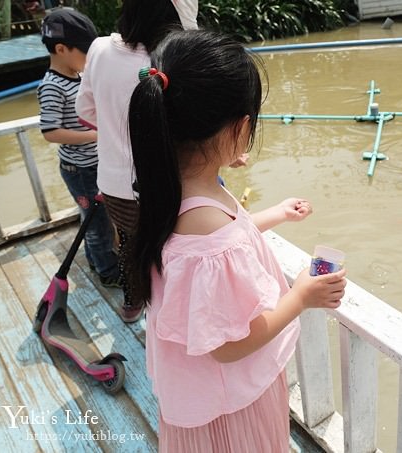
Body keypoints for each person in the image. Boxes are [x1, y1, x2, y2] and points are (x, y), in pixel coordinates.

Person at [127, 30, 347, 452]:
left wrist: (275, 214)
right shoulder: (208, 233)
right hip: (229, 407)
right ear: (240, 127)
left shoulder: (173, 188)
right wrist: (300, 296)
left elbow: (228, 236)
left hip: (200, 394)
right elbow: (229, 347)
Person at [75, 0, 198, 322]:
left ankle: (133, 304)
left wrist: (117, 129)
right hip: (168, 187)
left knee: (130, 244)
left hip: (114, 184)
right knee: (176, 251)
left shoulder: (99, 48)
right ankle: (176, 314)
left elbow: (85, 111)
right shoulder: (174, 60)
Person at [37, 8, 121, 288]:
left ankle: (96, 257)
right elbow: (51, 132)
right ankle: (108, 271)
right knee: (96, 223)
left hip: (96, 164)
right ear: (62, 49)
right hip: (80, 169)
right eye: (85, 53)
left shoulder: (79, 76)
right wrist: (96, 135)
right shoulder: (51, 85)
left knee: (100, 218)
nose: (91, 59)